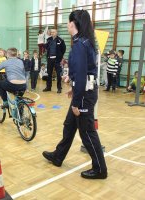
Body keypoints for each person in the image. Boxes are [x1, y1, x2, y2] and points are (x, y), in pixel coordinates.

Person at [42, 10, 107, 179]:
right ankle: (58, 156)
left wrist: (77, 102)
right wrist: (73, 87)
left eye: (68, 22)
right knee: (69, 125)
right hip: (83, 91)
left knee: (87, 132)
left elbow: (81, 73)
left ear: (73, 24)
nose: (67, 25)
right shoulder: (84, 42)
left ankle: (100, 169)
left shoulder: (80, 44)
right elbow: (82, 72)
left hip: (84, 96)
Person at [43, 29, 66, 93]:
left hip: (57, 60)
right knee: (49, 74)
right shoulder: (49, 39)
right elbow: (46, 47)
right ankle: (48, 87)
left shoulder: (60, 40)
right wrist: (44, 41)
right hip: (50, 59)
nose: (52, 33)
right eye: (51, 32)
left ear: (56, 32)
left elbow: (63, 49)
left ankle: (59, 88)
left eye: (53, 32)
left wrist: (60, 56)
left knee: (58, 74)